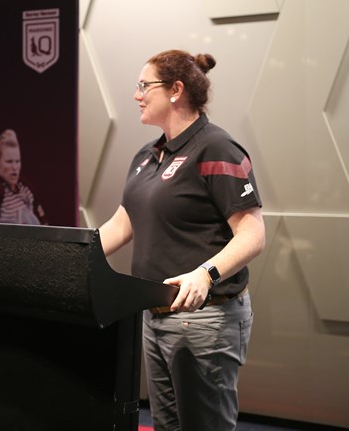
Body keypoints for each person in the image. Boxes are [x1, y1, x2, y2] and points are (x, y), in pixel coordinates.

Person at [98, 49, 266, 431]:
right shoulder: (147, 155)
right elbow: (122, 225)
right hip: (154, 315)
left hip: (205, 320)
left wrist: (206, 274)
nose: (136, 94)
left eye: (144, 85)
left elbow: (253, 234)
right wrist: (74, 255)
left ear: (176, 90)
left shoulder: (216, 148)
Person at [0, 129, 48, 225]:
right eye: (9, 162)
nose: (14, 167)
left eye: (17, 161)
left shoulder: (27, 188)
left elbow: (44, 224)